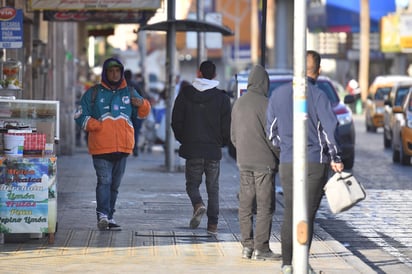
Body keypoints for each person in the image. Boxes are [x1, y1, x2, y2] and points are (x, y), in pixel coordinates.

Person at [266, 50, 344, 273]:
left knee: (291, 211)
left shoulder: (278, 94)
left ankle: (287, 264)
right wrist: (336, 158)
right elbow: (330, 129)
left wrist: (286, 149)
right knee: (306, 215)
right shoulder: (318, 96)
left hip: (288, 164)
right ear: (318, 71)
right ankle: (300, 263)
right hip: (314, 163)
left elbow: (271, 131)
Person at [74, 58, 151, 231]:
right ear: (105, 73)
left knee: (114, 186)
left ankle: (109, 216)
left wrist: (143, 104)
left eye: (117, 71)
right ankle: (102, 214)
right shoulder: (94, 92)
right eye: (111, 71)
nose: (114, 74)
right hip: (101, 146)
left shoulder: (129, 92)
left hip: (123, 148)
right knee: (105, 181)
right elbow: (79, 115)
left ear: (121, 72)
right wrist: (97, 126)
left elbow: (143, 113)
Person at [171, 60, 231, 235]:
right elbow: (227, 126)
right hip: (213, 150)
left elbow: (176, 121)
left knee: (192, 185)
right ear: (215, 75)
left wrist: (185, 139)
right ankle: (212, 226)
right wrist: (221, 143)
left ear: (198, 73)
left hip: (193, 149)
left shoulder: (185, 94)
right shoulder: (222, 98)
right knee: (213, 188)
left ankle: (198, 204)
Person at [230, 64, 281, 261]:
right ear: (264, 83)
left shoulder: (238, 103)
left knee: (245, 205)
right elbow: (273, 138)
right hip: (264, 164)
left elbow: (233, 137)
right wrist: (280, 156)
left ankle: (247, 246)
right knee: (264, 206)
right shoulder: (266, 104)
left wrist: (243, 151)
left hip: (244, 162)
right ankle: (262, 248)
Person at [124, 69, 145, 157]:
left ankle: (125, 149)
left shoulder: (121, 86)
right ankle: (135, 148)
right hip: (135, 112)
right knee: (135, 131)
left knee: (125, 131)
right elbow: (142, 98)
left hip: (124, 113)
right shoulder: (136, 85)